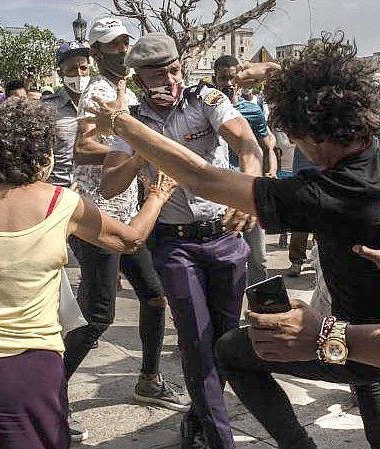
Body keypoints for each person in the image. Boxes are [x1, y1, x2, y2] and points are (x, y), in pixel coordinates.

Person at [82, 33, 380, 449]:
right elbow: (332, 91)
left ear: (315, 138)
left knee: (232, 351)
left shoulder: (323, 193)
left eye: (296, 142)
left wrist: (120, 123)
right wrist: (278, 71)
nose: (294, 153)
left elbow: (203, 177)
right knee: (211, 344)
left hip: (359, 341)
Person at [0, 97, 178, 449]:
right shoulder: (62, 202)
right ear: (44, 156)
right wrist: (158, 195)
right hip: (27, 368)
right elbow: (131, 239)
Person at [98, 34, 263, 449]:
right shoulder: (130, 119)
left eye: (174, 70)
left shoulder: (204, 100)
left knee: (225, 340)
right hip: (174, 246)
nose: (170, 80)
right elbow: (109, 184)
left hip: (224, 237)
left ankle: (198, 416)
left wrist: (251, 190)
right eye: (158, 75)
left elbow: (246, 140)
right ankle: (218, 437)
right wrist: (141, 148)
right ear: (138, 80)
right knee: (195, 338)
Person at [67, 22, 190, 443]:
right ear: (96, 51)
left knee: (154, 297)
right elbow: (82, 148)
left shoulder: (129, 90)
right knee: (99, 313)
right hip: (96, 212)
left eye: (126, 42)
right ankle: (48, 393)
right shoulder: (99, 91)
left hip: (128, 210)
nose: (122, 49)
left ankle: (149, 380)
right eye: (112, 45)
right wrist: (140, 148)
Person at [213, 54, 276, 285]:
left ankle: (263, 309)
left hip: (250, 194)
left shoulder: (252, 111)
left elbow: (264, 145)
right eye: (223, 79)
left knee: (258, 257)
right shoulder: (204, 110)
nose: (228, 84)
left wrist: (269, 172)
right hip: (220, 196)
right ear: (215, 79)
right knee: (226, 258)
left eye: (232, 78)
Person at [43, 41, 91, 188]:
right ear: (60, 73)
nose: (79, 74)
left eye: (83, 68)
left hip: (93, 190)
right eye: (71, 69)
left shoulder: (101, 103)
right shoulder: (46, 109)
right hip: (58, 190)